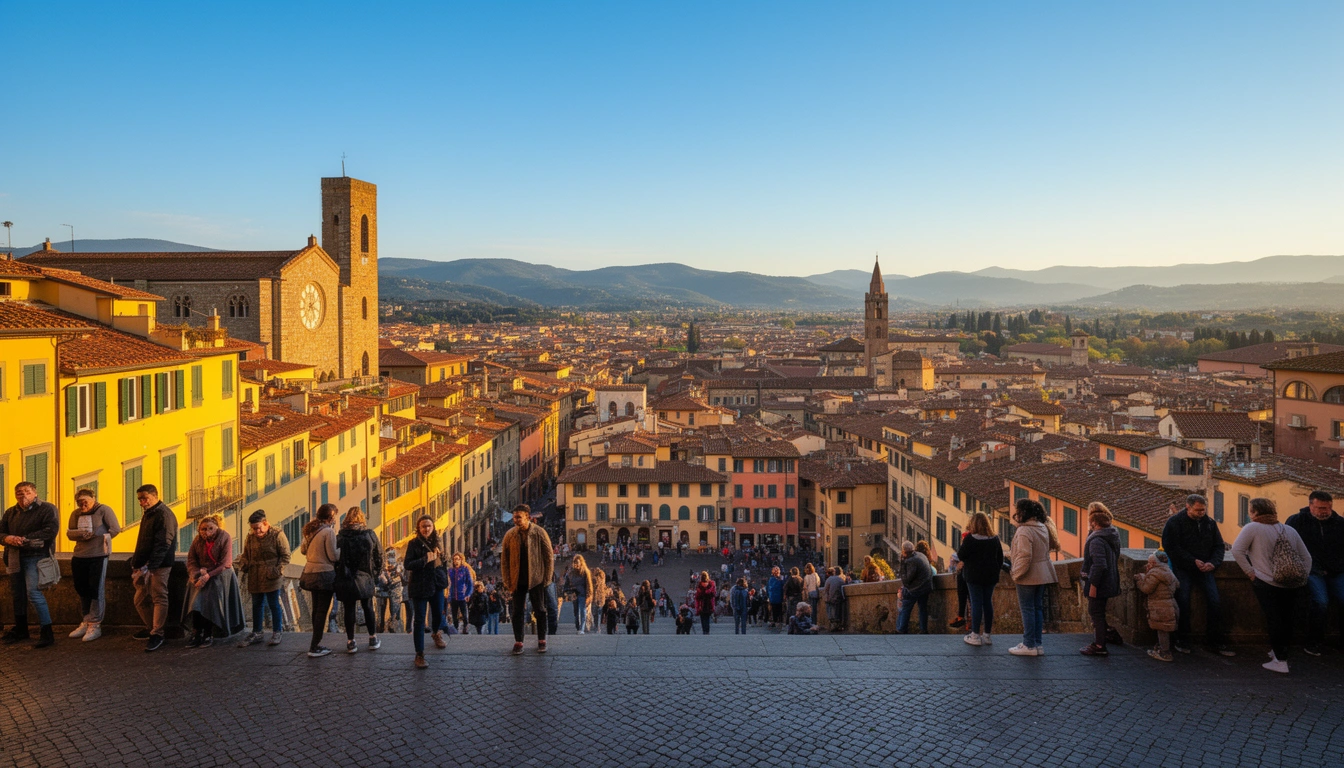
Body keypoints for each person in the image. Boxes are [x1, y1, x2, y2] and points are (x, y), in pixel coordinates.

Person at [1231, 498, 1312, 674]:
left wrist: (1250, 573)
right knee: (1287, 619)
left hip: (1266, 582)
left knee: (1274, 619)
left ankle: (1280, 661)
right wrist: (1301, 577)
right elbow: (1307, 558)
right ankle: (1279, 652)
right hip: (1292, 583)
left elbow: (1236, 550)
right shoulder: (1288, 529)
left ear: (1254, 512)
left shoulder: (1252, 528)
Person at [1161, 494, 1233, 656]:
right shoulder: (1174, 523)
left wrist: (1213, 563)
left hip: (1205, 568)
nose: (1201, 513)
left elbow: (1219, 546)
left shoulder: (1210, 524)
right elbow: (1171, 547)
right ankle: (1182, 639)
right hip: (1183, 569)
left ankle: (1214, 640)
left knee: (1214, 601)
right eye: (1197, 510)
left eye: (1203, 510)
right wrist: (1192, 561)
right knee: (1183, 602)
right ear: (1188, 506)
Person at [1, 481, 60, 648]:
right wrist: (7, 539)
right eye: (19, 492)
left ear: (35, 493)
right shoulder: (11, 512)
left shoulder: (47, 509)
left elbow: (50, 531)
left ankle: (47, 632)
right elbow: (1, 532)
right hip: (13, 557)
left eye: (27, 491)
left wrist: (23, 539)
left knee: (34, 593)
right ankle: (21, 630)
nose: (23, 495)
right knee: (17, 595)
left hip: (36, 557)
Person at [1286, 490, 1344, 655]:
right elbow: (1287, 545)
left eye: (1327, 508)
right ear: (1310, 505)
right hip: (1311, 570)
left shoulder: (1339, 523)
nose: (1324, 511)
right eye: (1319, 508)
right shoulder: (1297, 521)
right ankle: (1313, 641)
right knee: (1321, 602)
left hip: (1337, 571)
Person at [65, 487, 121, 643]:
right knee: (81, 588)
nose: (83, 505)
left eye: (85, 502)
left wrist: (99, 537)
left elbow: (115, 529)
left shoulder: (104, 510)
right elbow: (69, 533)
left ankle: (95, 623)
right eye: (79, 503)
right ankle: (86, 619)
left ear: (93, 499)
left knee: (96, 589)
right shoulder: (75, 514)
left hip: (98, 555)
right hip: (79, 555)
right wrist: (80, 535)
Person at [183, 513, 246, 647]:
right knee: (196, 601)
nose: (207, 532)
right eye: (203, 529)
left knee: (210, 600)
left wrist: (208, 575)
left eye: (210, 528)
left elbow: (226, 563)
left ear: (217, 527)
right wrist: (196, 574)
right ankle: (196, 631)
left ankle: (208, 632)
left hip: (220, 575)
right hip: (202, 574)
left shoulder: (225, 537)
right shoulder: (197, 540)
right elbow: (192, 560)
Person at [129, 484, 178, 653]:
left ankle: (157, 633)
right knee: (140, 599)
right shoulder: (150, 514)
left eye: (145, 499)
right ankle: (153, 629)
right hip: (147, 565)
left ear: (155, 496)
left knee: (159, 597)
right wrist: (137, 563)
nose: (142, 502)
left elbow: (164, 543)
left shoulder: (164, 515)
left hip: (159, 566)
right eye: (140, 500)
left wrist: (151, 566)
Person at [501, 504, 554, 655]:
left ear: (528, 517)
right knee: (517, 611)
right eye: (514, 517)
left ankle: (542, 640)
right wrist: (507, 580)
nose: (515, 520)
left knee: (540, 610)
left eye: (518, 517)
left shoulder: (539, 532)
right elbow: (504, 559)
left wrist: (547, 578)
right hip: (517, 579)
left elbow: (549, 556)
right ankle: (518, 641)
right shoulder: (509, 535)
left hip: (536, 578)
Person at [1009, 498, 1058, 657]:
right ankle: (1037, 644)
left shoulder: (1024, 530)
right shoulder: (1042, 526)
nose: (1016, 515)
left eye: (1018, 512)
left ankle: (1028, 644)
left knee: (1027, 609)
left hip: (1028, 575)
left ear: (1023, 513)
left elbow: (1024, 555)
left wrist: (1016, 573)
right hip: (1043, 573)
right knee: (1037, 609)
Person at [235, 510, 290, 647]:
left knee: (273, 604)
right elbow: (246, 554)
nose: (256, 531)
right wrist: (244, 564)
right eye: (253, 528)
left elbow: (285, 556)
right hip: (255, 574)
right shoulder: (250, 537)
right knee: (256, 604)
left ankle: (277, 631)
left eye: (258, 528)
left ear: (265, 524)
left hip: (272, 575)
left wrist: (277, 570)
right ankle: (257, 632)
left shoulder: (277, 535)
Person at [335, 508, 382, 654]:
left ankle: (351, 642)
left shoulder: (341, 537)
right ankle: (372, 638)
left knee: (349, 609)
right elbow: (379, 556)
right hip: (365, 577)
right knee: (368, 607)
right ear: (362, 519)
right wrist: (375, 574)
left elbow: (335, 558)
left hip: (346, 577)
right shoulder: (369, 535)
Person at [1078, 503, 1122, 656]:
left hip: (1100, 582)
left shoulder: (1096, 540)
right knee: (1099, 612)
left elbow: (1099, 565)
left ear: (1094, 523)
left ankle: (1099, 645)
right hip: (1110, 580)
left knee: (1095, 612)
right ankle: (1106, 636)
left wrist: (1093, 585)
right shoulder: (1112, 535)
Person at [405, 516, 447, 669]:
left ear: (433, 527)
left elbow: (445, 562)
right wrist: (425, 559)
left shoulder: (439, 541)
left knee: (437, 614)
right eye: (423, 526)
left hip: (436, 584)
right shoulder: (413, 544)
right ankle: (419, 654)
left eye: (429, 526)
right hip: (420, 586)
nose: (426, 529)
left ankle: (436, 633)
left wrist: (442, 556)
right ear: (419, 528)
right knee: (419, 620)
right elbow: (408, 564)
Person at [956, 511, 1003, 646]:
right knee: (987, 603)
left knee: (976, 603)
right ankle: (987, 635)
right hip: (991, 576)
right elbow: (999, 558)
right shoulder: (994, 539)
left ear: (973, 524)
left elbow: (961, 555)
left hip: (973, 576)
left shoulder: (970, 539)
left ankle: (975, 635)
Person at [300, 504, 340, 658]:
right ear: (331, 517)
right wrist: (341, 550)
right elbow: (333, 556)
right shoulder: (328, 531)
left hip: (310, 573)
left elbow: (303, 550)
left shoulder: (310, 530)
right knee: (322, 611)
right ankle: (315, 645)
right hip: (324, 575)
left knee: (316, 609)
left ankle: (314, 643)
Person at [1134, 551, 1180, 662]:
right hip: (1171, 604)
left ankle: (1165, 653)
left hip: (1159, 607)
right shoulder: (1168, 571)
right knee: (1166, 629)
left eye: (1149, 563)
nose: (1148, 565)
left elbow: (1146, 588)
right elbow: (1177, 585)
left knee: (1162, 630)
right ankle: (1162, 648)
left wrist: (1140, 579)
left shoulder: (1155, 573)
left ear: (1154, 563)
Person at [896, 541, 933, 635]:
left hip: (916, 589)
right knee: (923, 608)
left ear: (904, 551)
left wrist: (903, 563)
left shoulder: (911, 561)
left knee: (906, 607)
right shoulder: (920, 555)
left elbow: (906, 579)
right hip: (926, 587)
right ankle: (923, 629)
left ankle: (902, 629)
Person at [375, 548, 404, 634]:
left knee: (394, 607)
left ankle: (392, 624)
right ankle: (382, 624)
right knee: (381, 607)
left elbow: (401, 577)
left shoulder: (398, 566)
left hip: (394, 587)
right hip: (383, 587)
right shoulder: (383, 566)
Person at [563, 555, 594, 634]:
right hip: (574, 594)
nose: (576, 564)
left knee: (582, 611)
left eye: (577, 562)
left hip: (583, 594)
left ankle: (582, 628)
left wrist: (589, 596)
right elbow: (567, 583)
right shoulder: (571, 573)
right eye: (575, 562)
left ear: (581, 563)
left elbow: (589, 585)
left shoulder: (585, 572)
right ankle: (578, 627)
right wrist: (568, 591)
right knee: (576, 612)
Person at [446, 552, 476, 633]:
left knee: (464, 615)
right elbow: (448, 584)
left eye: (458, 559)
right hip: (453, 596)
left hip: (462, 596)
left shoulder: (465, 570)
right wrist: (448, 597)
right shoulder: (450, 571)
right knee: (454, 616)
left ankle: (465, 628)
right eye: (454, 559)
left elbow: (470, 584)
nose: (456, 561)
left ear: (461, 560)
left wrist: (468, 594)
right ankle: (455, 629)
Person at [823, 567, 847, 632]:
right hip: (839, 598)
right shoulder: (841, 579)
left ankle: (833, 624)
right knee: (838, 612)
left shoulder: (829, 579)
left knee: (831, 611)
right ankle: (838, 625)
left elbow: (826, 590)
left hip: (831, 599)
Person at [695, 571, 717, 635]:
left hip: (701, 604)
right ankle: (707, 631)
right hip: (709, 604)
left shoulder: (699, 585)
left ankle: (704, 630)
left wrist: (697, 606)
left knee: (703, 618)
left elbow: (697, 597)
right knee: (707, 618)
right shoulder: (712, 584)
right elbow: (714, 594)